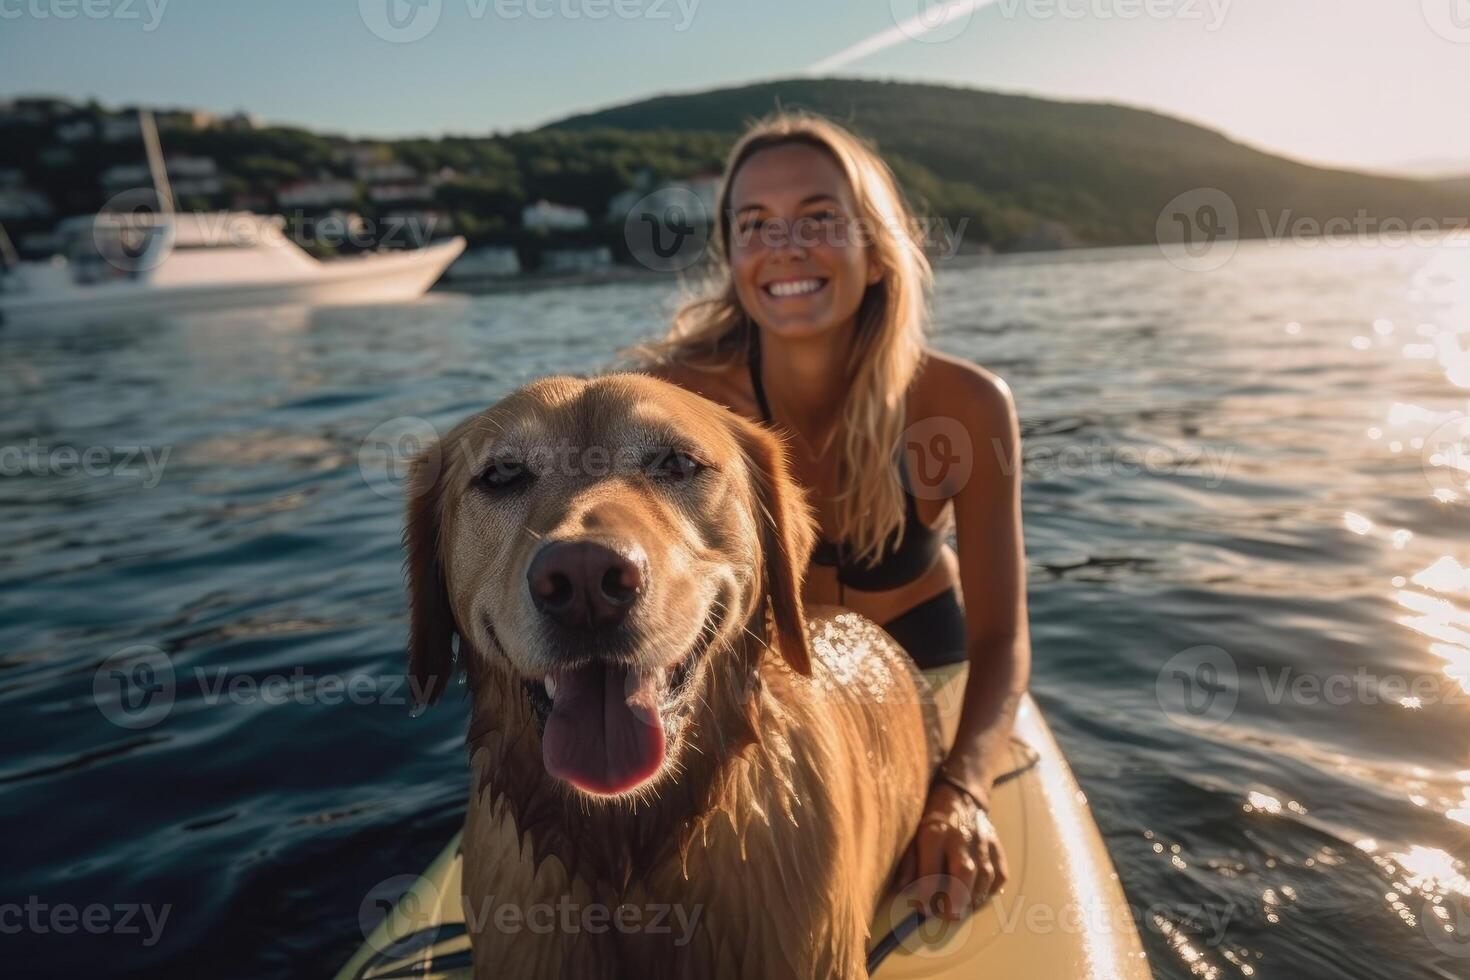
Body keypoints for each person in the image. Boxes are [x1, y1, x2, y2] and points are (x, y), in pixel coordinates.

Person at [638, 111, 1031, 923]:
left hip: (928, 670)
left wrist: (962, 789)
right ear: (735, 258)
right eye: (755, 225)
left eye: (818, 219)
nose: (784, 246)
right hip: (755, 687)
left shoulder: (963, 407)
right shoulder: (677, 404)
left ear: (877, 249)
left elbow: (1002, 639)